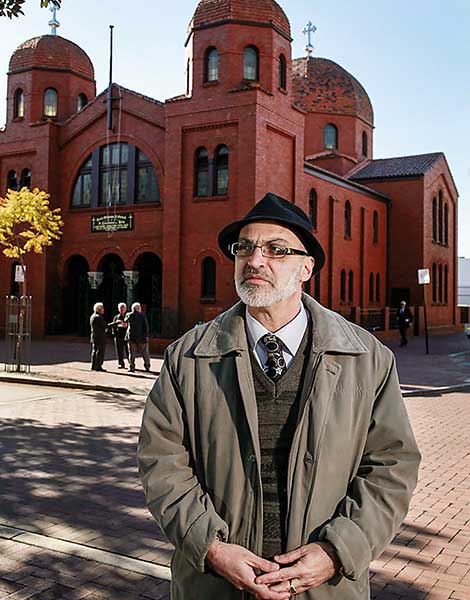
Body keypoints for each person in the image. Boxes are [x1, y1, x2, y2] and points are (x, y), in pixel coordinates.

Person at [138, 192, 421, 600]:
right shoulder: (188, 357)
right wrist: (211, 548)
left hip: (324, 589)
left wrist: (336, 551)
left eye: (276, 249)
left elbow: (391, 467)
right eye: (245, 248)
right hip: (214, 586)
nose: (255, 260)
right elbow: (161, 461)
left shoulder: (367, 358)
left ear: (307, 267)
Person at [125, 302, 151, 373]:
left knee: (131, 353)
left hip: (131, 337)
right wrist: (146, 336)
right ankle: (147, 366)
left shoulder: (129, 315)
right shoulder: (142, 316)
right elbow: (146, 327)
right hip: (142, 337)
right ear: (139, 308)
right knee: (145, 353)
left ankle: (131, 367)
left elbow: (125, 321)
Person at [110, 302, 129, 368]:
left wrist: (127, 325)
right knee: (119, 351)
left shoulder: (128, 316)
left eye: (123, 308)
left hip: (126, 336)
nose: (122, 310)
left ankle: (130, 363)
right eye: (120, 308)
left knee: (128, 351)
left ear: (125, 309)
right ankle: (121, 363)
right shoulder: (116, 317)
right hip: (118, 336)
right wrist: (114, 334)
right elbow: (113, 326)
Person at [90, 302, 107, 372]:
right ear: (99, 309)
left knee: (95, 351)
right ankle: (98, 366)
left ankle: (94, 365)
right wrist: (116, 323)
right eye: (102, 308)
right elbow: (105, 326)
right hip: (99, 337)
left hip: (94, 336)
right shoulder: (98, 317)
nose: (103, 310)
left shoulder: (93, 316)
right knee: (100, 352)